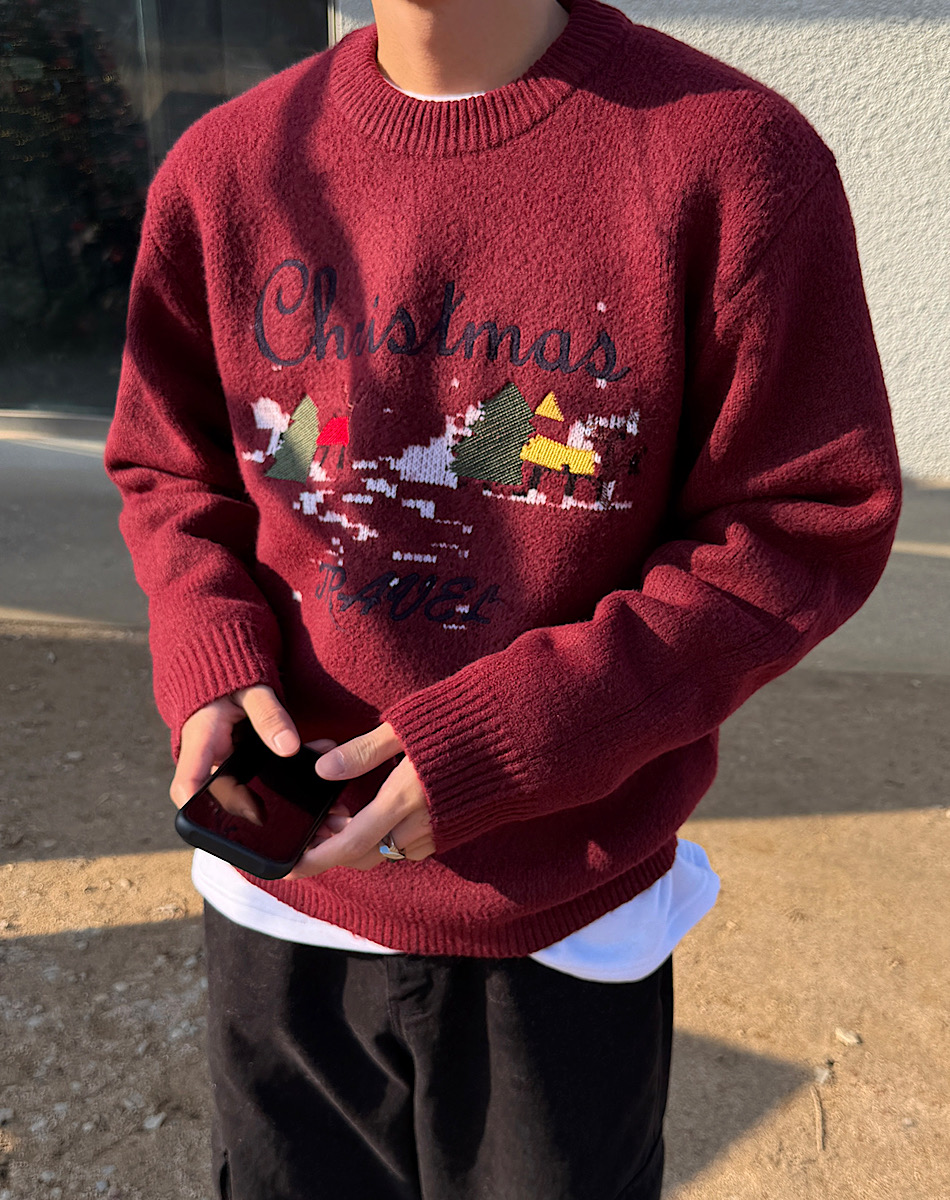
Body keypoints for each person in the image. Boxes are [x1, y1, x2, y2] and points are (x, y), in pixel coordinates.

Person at [104, 0, 902, 1196]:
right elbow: (171, 464)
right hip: (276, 889)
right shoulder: (229, 165)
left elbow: (799, 520)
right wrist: (209, 643)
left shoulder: (731, 159)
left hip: (561, 912)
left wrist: (518, 738)